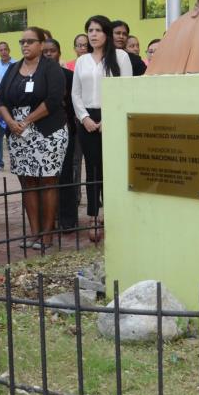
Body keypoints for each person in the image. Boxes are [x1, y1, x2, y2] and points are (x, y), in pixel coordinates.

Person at [0, 28, 69, 250]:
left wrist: (27, 120)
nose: (25, 45)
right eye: (22, 42)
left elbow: (55, 99)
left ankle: (47, 235)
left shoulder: (51, 68)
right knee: (27, 182)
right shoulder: (12, 68)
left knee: (47, 181)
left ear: (41, 43)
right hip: (18, 133)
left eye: (30, 41)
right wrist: (10, 123)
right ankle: (34, 234)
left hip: (48, 131)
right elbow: (1, 100)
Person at [71, 15, 132, 241]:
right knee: (93, 169)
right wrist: (85, 118)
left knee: (112, 168)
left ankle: (112, 212)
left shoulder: (121, 57)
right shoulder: (82, 61)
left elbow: (126, 90)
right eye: (90, 30)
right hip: (87, 119)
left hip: (112, 118)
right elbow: (75, 93)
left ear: (106, 33)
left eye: (97, 30)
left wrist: (111, 118)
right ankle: (93, 215)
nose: (93, 34)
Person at [42, 38, 79, 229]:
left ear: (59, 52)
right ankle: (47, 220)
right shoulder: (37, 76)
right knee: (44, 178)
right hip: (41, 133)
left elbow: (75, 104)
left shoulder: (69, 76)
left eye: (52, 51)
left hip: (65, 131)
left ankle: (68, 220)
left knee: (65, 176)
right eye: (45, 51)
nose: (48, 54)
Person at [0, 41, 16, 172]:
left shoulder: (17, 65)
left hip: (13, 103)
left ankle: (15, 161)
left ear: (9, 50)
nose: (3, 52)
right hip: (0, 103)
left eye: (5, 49)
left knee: (14, 132)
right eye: (0, 50)